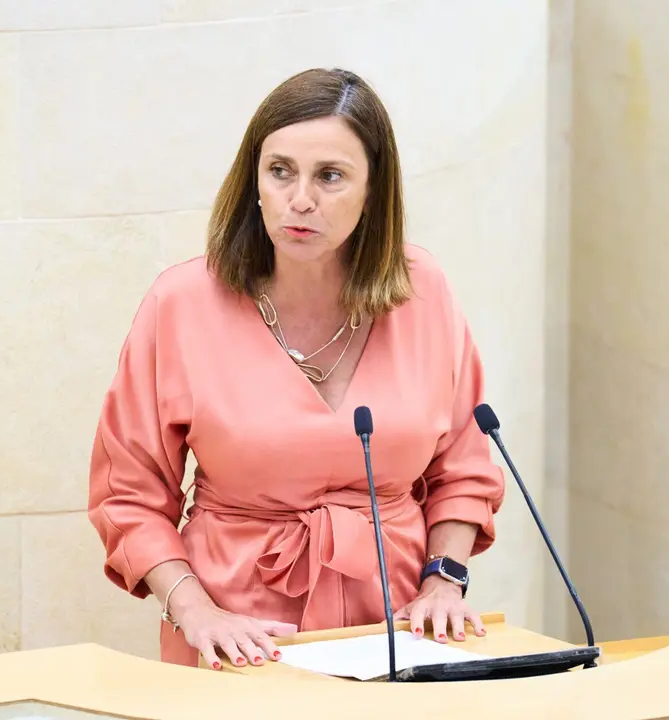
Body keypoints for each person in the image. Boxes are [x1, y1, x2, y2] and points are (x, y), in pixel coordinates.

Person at [87, 67, 505, 671]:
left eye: (330, 176)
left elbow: (464, 468)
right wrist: (196, 610)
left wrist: (445, 579)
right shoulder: (179, 304)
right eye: (280, 171)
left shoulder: (424, 293)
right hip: (237, 635)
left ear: (373, 192)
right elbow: (128, 497)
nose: (300, 199)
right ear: (254, 180)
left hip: (395, 628)